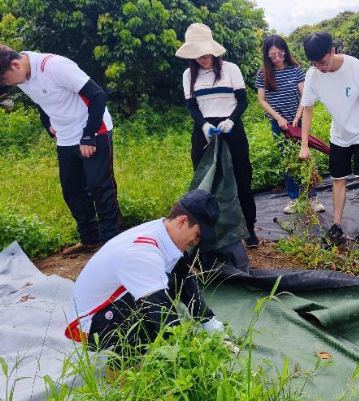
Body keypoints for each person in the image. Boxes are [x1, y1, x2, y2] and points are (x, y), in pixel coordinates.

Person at [65, 189, 228, 351]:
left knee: (173, 282)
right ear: (183, 222)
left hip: (112, 304)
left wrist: (209, 322)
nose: (197, 241)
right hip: (88, 325)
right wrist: (190, 359)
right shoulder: (143, 251)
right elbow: (163, 314)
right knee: (151, 312)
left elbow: (184, 279)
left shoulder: (163, 232)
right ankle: (118, 370)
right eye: (198, 234)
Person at [0, 44, 122, 256]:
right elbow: (41, 101)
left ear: (15, 64)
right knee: (72, 190)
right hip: (65, 136)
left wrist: (88, 135)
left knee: (99, 186)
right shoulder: (21, 75)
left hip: (94, 129)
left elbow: (97, 95)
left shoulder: (55, 67)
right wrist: (47, 123)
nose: (6, 85)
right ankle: (90, 239)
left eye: (4, 80)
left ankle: (113, 242)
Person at [175, 23, 258, 248]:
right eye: (197, 55)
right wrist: (203, 126)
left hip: (231, 128)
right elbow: (192, 106)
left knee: (241, 178)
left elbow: (242, 101)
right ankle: (211, 232)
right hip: (205, 132)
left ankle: (249, 229)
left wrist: (231, 120)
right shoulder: (188, 75)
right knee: (207, 182)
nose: (202, 58)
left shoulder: (231, 69)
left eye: (205, 54)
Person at [298, 32, 359, 246]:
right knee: (338, 180)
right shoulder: (313, 74)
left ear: (332, 51)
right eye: (314, 64)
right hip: (339, 135)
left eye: (322, 62)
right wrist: (304, 144)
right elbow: (307, 109)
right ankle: (336, 225)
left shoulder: (354, 67)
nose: (320, 67)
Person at [254, 35, 325, 215]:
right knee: (288, 162)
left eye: (280, 54)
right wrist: (278, 118)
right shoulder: (263, 74)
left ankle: (312, 197)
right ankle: (294, 199)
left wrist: (297, 116)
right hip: (279, 125)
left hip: (299, 122)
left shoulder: (295, 70)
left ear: (285, 51)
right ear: (267, 56)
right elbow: (262, 100)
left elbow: (304, 96)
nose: (277, 58)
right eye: (272, 56)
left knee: (305, 157)